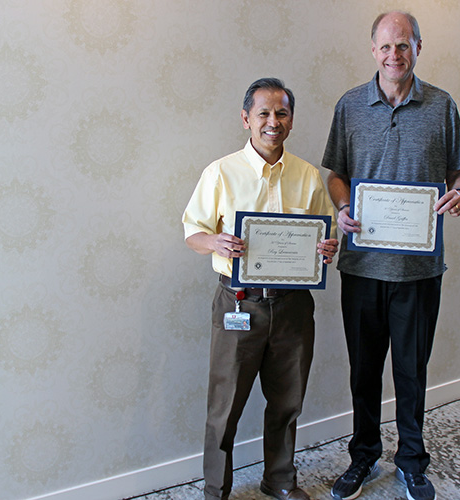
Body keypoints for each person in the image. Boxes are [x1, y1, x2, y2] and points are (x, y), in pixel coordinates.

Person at [321, 11, 460, 500]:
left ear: (418, 49)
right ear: (373, 51)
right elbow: (335, 175)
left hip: (418, 270)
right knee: (364, 371)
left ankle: (411, 462)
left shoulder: (442, 105)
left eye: (403, 46)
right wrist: (343, 206)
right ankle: (363, 457)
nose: (394, 55)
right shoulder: (349, 106)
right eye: (385, 47)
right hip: (362, 266)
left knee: (411, 370)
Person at [182, 77, 338, 500]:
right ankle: (216, 489)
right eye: (264, 113)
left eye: (282, 113)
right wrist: (214, 241)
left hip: (292, 308)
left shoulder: (307, 176)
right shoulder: (220, 172)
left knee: (287, 402)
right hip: (239, 303)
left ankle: (280, 481)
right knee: (224, 407)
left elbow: (326, 236)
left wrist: (328, 247)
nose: (273, 121)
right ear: (246, 118)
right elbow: (192, 231)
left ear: (291, 120)